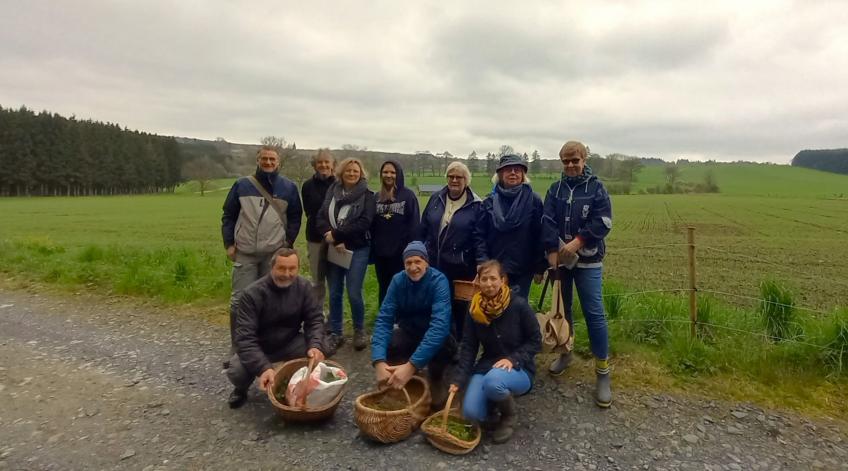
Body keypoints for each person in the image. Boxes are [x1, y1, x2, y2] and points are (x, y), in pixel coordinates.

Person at [542, 140, 613, 408]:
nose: (570, 165)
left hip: (589, 261)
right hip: (561, 262)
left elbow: (603, 221)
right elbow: (547, 221)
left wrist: (578, 242)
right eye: (566, 161)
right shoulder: (555, 189)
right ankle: (566, 353)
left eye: (575, 160)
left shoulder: (596, 188)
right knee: (564, 310)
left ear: (584, 159)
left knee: (594, 314)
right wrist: (552, 251)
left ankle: (602, 371)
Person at [221, 145, 303, 354]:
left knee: (271, 300)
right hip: (245, 252)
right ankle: (237, 347)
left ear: (278, 162)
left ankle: (264, 345)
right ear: (258, 161)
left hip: (273, 253)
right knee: (239, 301)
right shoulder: (241, 185)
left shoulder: (289, 188)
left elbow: (295, 217)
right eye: (264, 159)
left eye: (272, 159)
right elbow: (228, 216)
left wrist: (288, 243)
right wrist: (229, 244)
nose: (268, 163)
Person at [449, 260, 541, 443]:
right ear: (478, 282)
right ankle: (493, 401)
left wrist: (513, 359)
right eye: (484, 279)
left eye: (493, 278)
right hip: (487, 366)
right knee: (471, 413)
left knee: (493, 382)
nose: (489, 283)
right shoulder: (474, 309)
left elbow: (536, 341)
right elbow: (469, 347)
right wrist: (458, 380)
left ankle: (508, 416)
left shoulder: (519, 306)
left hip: (520, 369)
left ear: (503, 280)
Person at [225, 248, 327, 409]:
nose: (287, 274)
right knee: (236, 371)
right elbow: (245, 339)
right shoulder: (251, 294)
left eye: (292, 269)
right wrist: (263, 367)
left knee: (321, 348)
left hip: (290, 341)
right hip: (260, 345)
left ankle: (295, 383)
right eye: (281, 268)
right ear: (271, 267)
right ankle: (241, 389)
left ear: (298, 268)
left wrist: (315, 345)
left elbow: (314, 320)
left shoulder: (304, 287)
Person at [370, 241, 455, 408]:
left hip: (437, 337)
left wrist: (411, 365)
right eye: (408, 262)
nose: (413, 267)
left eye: (418, 261)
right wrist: (378, 361)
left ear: (426, 263)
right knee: (391, 341)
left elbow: (439, 327)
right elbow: (384, 320)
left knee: (442, 344)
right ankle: (398, 375)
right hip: (410, 332)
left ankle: (435, 377)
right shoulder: (398, 281)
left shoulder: (439, 281)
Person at [418, 161, 486, 340]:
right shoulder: (436, 199)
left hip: (460, 266)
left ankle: (459, 346)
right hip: (433, 263)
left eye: (459, 177)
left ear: (466, 180)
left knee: (459, 309)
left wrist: (481, 263)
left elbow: (479, 237)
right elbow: (423, 227)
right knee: (437, 305)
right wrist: (420, 251)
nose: (454, 180)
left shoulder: (476, 205)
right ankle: (438, 343)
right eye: (451, 176)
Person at [316, 157, 375, 351]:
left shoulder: (367, 195)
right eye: (348, 171)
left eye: (355, 171)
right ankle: (336, 332)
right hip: (334, 248)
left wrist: (338, 236)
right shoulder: (332, 191)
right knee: (334, 292)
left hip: (357, 249)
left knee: (354, 292)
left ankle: (359, 330)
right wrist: (328, 234)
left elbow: (364, 222)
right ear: (341, 172)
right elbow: (321, 216)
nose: (352, 174)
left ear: (361, 174)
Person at [478, 154, 545, 299]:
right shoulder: (488, 202)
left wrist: (540, 267)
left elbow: (539, 235)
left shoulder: (534, 201)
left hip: (523, 269)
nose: (513, 173)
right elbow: (480, 236)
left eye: (517, 169)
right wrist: (482, 262)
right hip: (494, 270)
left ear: (523, 175)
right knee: (493, 310)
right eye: (508, 169)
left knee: (517, 312)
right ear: (500, 174)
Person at [371, 160, 420, 305]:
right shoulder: (376, 197)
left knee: (401, 287)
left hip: (401, 253)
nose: (389, 175)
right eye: (385, 172)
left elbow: (414, 225)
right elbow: (371, 225)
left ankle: (401, 322)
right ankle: (385, 320)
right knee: (384, 288)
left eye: (392, 172)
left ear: (398, 174)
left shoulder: (408, 196)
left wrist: (412, 250)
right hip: (381, 254)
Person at [301, 149, 336, 311]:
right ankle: (316, 317)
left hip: (337, 239)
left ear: (332, 164)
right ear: (314, 165)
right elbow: (308, 211)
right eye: (319, 162)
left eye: (326, 162)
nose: (323, 165)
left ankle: (334, 320)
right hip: (315, 238)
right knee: (317, 281)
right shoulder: (307, 186)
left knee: (335, 282)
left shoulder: (339, 184)